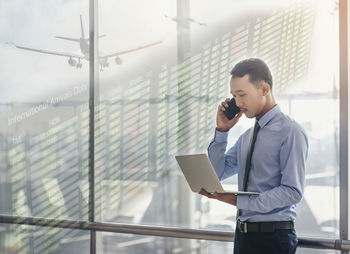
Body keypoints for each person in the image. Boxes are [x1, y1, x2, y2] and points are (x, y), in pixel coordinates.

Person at [199, 58, 308, 254]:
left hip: (273, 239)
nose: (238, 103)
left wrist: (236, 200)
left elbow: (293, 191)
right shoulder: (246, 137)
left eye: (242, 95)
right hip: (243, 236)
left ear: (264, 89)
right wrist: (222, 131)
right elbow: (216, 173)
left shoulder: (290, 131)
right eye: (234, 96)